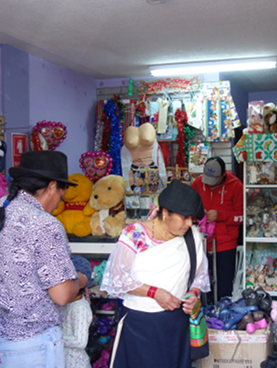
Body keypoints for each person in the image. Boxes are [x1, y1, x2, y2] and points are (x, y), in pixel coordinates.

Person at [0, 151, 88, 368]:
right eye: (60, 196)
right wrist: (79, 281)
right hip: (31, 344)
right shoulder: (43, 223)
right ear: (52, 186)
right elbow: (61, 295)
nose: (57, 204)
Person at [101, 179, 210, 368]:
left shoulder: (192, 236)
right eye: (184, 217)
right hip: (140, 323)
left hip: (176, 323)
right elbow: (117, 278)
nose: (189, 223)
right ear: (165, 213)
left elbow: (200, 274)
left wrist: (194, 293)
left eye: (192, 218)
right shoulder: (135, 234)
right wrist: (155, 293)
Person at [192, 156, 243, 302]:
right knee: (201, 285)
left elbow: (242, 217)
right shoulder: (198, 182)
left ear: (223, 175)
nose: (210, 184)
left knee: (223, 287)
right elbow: (190, 208)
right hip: (201, 243)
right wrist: (199, 214)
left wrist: (221, 215)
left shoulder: (236, 185)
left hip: (225, 244)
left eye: (214, 180)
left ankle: (222, 317)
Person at [62, 255, 93, 368]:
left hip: (75, 363)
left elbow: (80, 341)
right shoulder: (67, 304)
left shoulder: (80, 308)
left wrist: (55, 337)